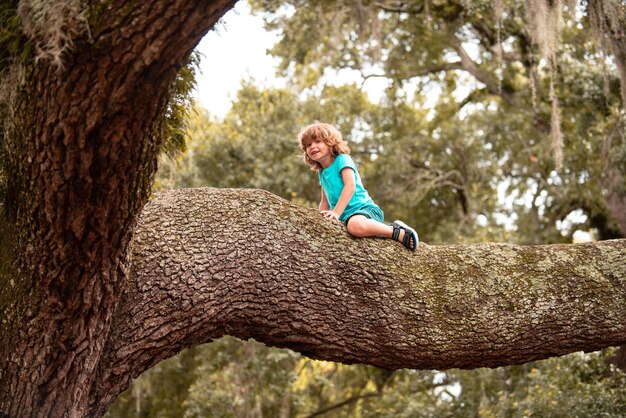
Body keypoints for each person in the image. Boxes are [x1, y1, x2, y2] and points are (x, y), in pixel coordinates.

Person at [298, 122, 419, 251]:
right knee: (352, 225)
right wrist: (320, 219)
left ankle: (397, 231)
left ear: (330, 142)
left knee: (354, 226)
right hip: (346, 218)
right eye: (308, 145)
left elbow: (350, 186)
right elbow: (325, 201)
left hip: (365, 209)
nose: (313, 146)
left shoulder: (342, 159)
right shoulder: (322, 172)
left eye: (317, 141)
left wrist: (336, 212)